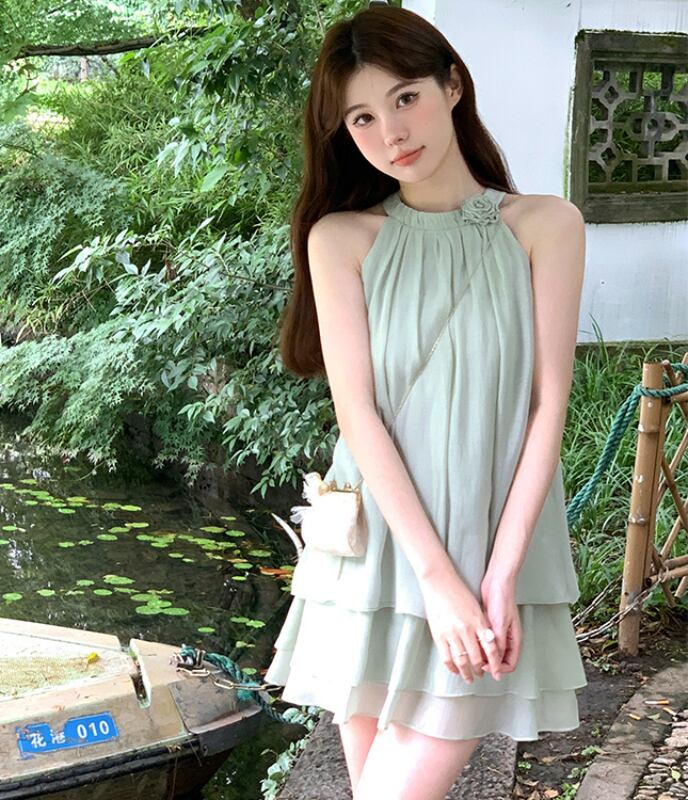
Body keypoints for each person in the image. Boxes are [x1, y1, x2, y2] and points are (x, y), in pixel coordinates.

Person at [263, 5, 587, 799]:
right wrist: (436, 580)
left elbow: (547, 406)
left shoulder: (546, 225)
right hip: (379, 550)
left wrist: (499, 574)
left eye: (405, 98)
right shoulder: (342, 238)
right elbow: (357, 414)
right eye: (363, 118)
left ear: (452, 86)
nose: (391, 133)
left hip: (488, 545)